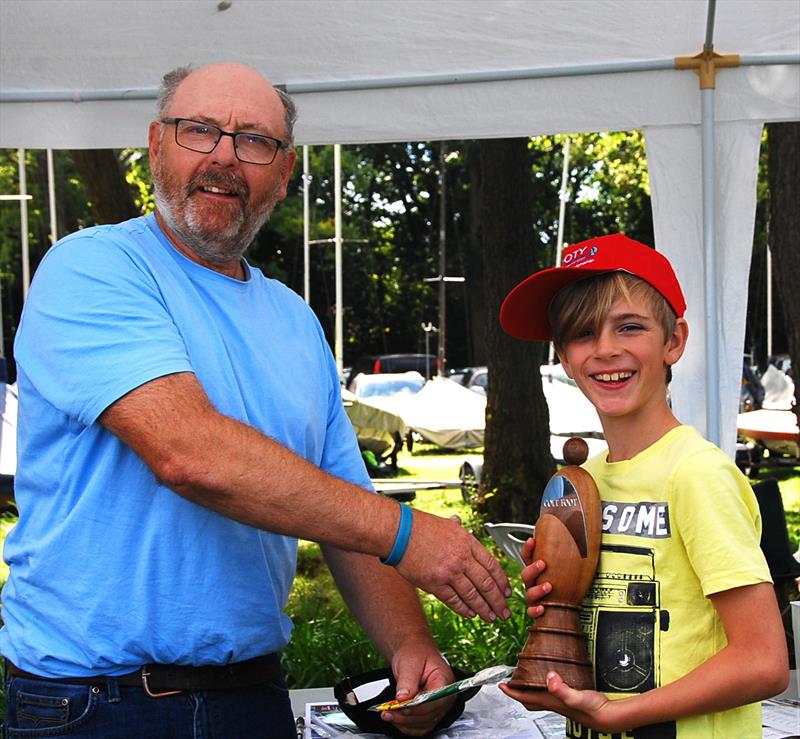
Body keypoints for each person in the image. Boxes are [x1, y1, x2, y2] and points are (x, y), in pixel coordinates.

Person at [0, 62, 511, 739]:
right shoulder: (91, 269)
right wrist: (408, 533)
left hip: (252, 697)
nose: (224, 155)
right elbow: (189, 453)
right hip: (94, 704)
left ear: (284, 171)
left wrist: (410, 647)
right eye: (199, 130)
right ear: (157, 146)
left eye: (253, 140)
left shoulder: (296, 321)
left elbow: (341, 509)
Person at [497, 234, 788, 738]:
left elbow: (764, 661)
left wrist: (617, 715)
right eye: (582, 334)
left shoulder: (696, 474)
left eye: (629, 327)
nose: (606, 349)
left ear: (674, 340)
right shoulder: (588, 480)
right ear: (564, 358)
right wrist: (561, 608)